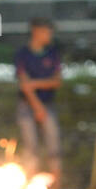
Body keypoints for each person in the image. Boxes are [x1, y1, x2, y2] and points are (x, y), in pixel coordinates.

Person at [14, 18, 63, 179]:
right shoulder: (22, 54)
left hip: (48, 103)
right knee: (30, 148)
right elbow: (24, 85)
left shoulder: (53, 53)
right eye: (47, 31)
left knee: (54, 146)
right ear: (36, 31)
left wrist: (34, 83)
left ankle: (57, 188)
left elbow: (56, 82)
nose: (50, 35)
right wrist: (38, 107)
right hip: (27, 106)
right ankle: (29, 187)